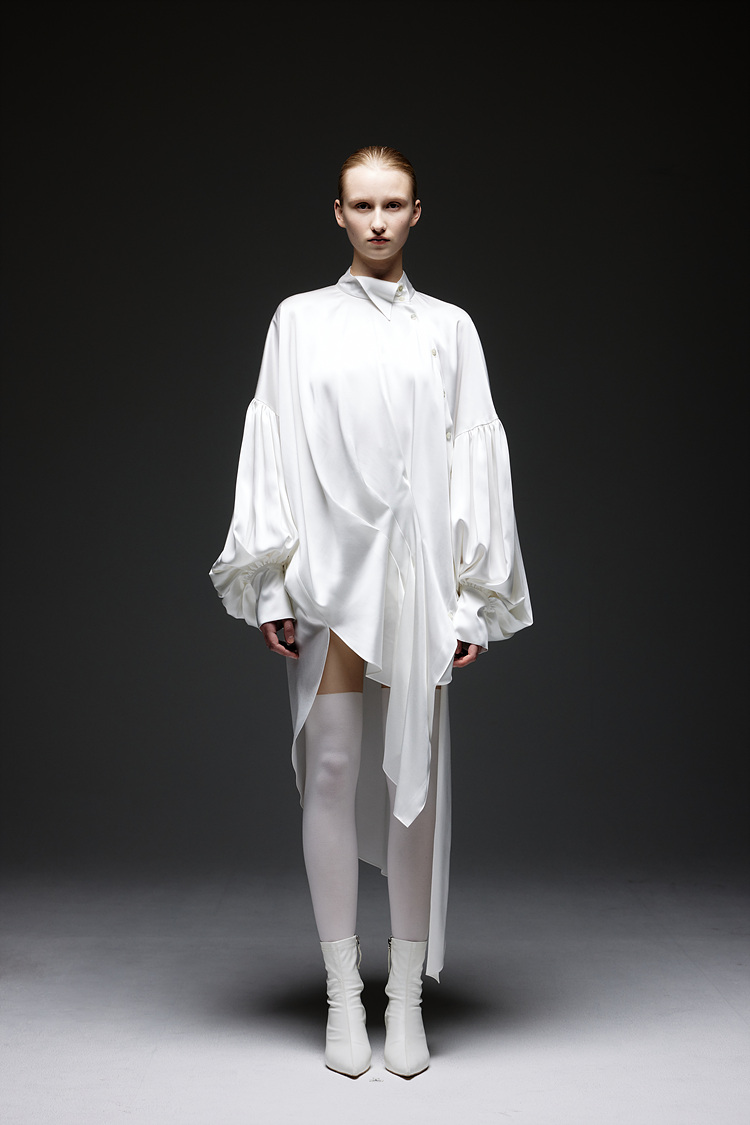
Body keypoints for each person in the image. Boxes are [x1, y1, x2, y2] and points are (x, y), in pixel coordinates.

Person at [209, 146, 532, 1078]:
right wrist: (273, 581)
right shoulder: (298, 321)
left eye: (394, 204)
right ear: (339, 213)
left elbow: (471, 455)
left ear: (418, 212)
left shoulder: (451, 329)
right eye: (363, 205)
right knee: (333, 765)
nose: (379, 221)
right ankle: (343, 992)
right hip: (328, 573)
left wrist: (471, 597)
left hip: (416, 578)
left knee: (411, 777)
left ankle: (405, 996)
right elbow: (274, 441)